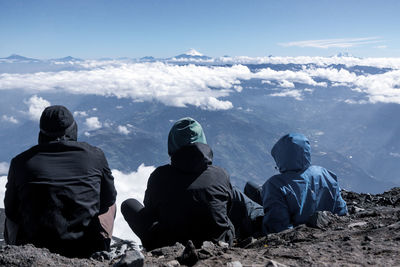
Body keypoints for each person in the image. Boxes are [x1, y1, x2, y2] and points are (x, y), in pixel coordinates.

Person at [121, 117, 263, 250]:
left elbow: (151, 211)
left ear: (172, 144)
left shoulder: (158, 177)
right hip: (219, 242)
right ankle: (262, 219)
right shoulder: (220, 174)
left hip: (169, 244)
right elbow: (228, 209)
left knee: (129, 205)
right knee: (232, 193)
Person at [4, 105, 117, 258]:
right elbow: (108, 199)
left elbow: (11, 210)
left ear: (41, 134)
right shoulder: (95, 156)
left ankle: (16, 253)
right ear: (73, 130)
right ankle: (100, 251)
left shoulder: (20, 162)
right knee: (112, 205)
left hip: (34, 248)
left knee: (10, 218)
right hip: (86, 247)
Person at [261, 133, 348, 234]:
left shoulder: (274, 185)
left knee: (244, 194)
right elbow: (341, 211)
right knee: (253, 189)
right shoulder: (326, 174)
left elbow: (277, 227)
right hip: (326, 227)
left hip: (294, 233)